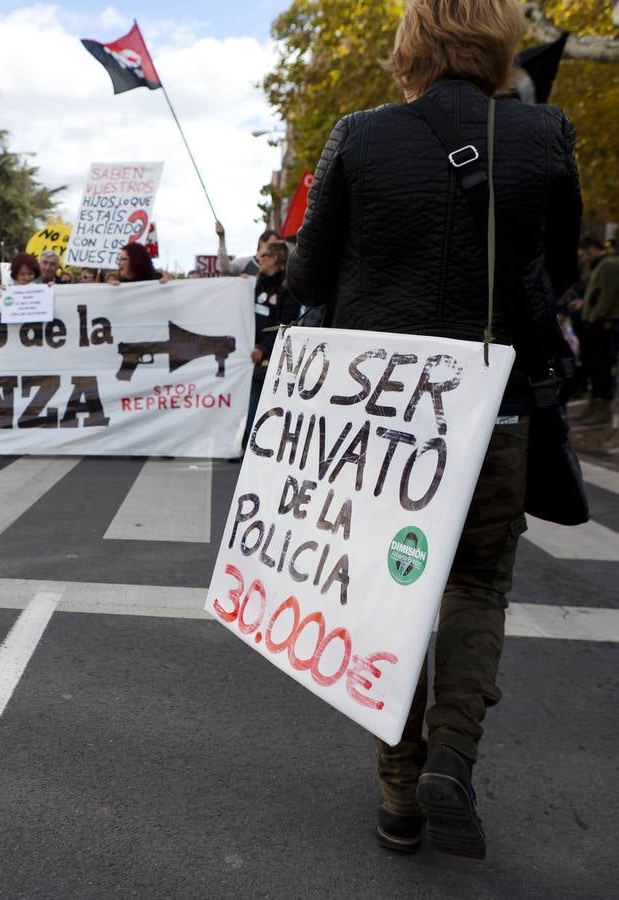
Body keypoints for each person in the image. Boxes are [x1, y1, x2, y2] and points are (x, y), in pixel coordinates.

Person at [286, 0, 581, 860]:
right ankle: (452, 751)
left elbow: (306, 272)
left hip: (381, 415)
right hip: (497, 407)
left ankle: (397, 795)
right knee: (477, 585)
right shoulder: (544, 135)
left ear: (408, 44)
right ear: (499, 45)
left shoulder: (360, 135)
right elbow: (555, 270)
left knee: (385, 593)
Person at [243, 242, 299, 442]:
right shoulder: (256, 283)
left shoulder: (286, 288)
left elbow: (285, 325)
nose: (259, 259)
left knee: (262, 400)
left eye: (264, 255)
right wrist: (242, 287)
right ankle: (248, 438)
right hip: (249, 353)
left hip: (269, 357)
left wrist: (263, 347)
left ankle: (255, 441)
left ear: (275, 259)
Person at [575, 238, 617, 424]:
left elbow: (608, 294)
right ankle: (596, 404)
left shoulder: (608, 264)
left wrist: (595, 316)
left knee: (601, 365)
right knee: (594, 363)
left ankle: (602, 407)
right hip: (596, 322)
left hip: (602, 323)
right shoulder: (602, 264)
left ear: (591, 248)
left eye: (585, 253)